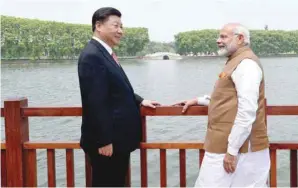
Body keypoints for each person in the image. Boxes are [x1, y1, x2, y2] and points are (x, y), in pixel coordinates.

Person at [173, 23, 270, 187]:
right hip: (232, 147)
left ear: (240, 39)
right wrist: (198, 101)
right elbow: (228, 99)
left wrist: (232, 151)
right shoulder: (236, 62)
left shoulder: (247, 64)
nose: (218, 40)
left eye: (223, 36)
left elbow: (247, 110)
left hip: (237, 149)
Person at [77, 7, 160, 187]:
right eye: (116, 26)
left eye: (121, 26)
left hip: (116, 141)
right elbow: (95, 101)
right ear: (98, 26)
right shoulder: (92, 55)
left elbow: (116, 88)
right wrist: (104, 141)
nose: (120, 31)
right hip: (107, 144)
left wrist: (139, 101)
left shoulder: (104, 53)